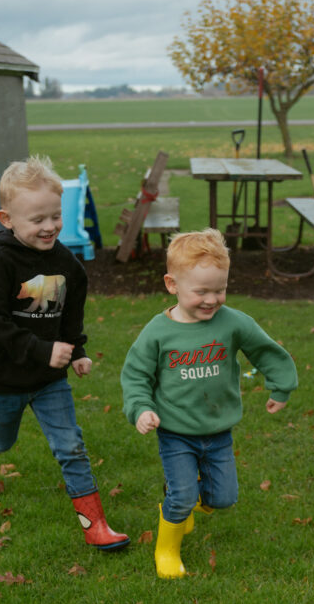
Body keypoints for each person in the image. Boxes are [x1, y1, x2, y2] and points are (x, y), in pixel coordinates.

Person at [0, 155, 129, 552]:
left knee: (70, 445)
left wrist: (77, 351)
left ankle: (95, 525)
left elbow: (70, 316)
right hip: (3, 375)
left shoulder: (68, 265)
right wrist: (40, 350)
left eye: (55, 216)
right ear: (7, 219)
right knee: (3, 438)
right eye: (37, 219)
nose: (50, 226)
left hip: (49, 379)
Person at [120, 227, 298, 578]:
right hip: (175, 431)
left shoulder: (231, 323)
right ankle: (167, 549)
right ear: (172, 285)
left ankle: (181, 503)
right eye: (201, 291)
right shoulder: (158, 332)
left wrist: (281, 387)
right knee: (183, 494)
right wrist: (141, 408)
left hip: (218, 430)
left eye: (220, 290)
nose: (212, 300)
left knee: (223, 498)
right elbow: (136, 375)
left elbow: (265, 350)